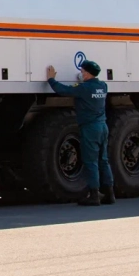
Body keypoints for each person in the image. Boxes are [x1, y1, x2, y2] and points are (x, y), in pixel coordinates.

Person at [46, 61, 115, 206]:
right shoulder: (103, 86)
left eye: (83, 71)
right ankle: (109, 194)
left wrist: (51, 79)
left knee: (91, 162)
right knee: (103, 161)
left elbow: (63, 90)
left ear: (88, 73)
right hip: (102, 126)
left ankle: (94, 195)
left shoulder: (84, 88)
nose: (81, 74)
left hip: (90, 128)